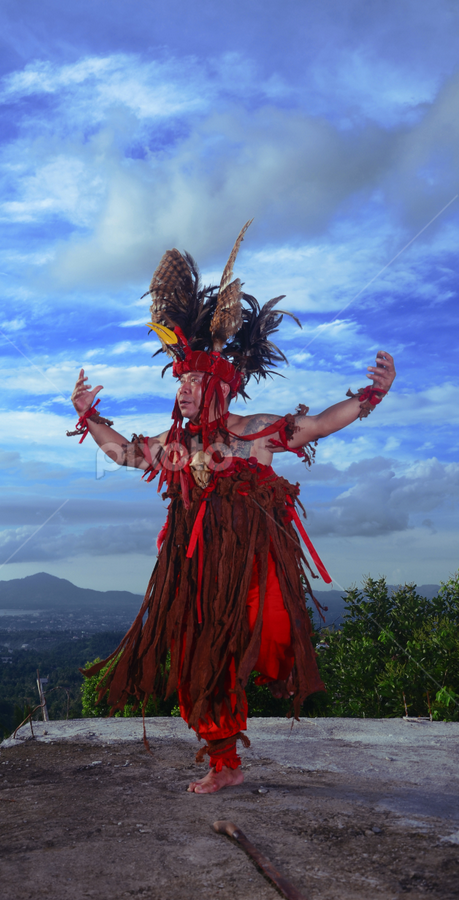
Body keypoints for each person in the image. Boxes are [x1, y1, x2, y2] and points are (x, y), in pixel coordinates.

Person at [69, 222, 396, 794]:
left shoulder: (256, 433)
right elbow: (123, 453)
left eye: (195, 379)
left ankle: (249, 719)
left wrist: (371, 395)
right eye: (181, 378)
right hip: (195, 577)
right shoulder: (180, 447)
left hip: (256, 566)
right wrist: (88, 417)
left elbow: (319, 423)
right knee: (202, 659)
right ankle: (225, 761)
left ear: (221, 384)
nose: (184, 389)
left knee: (264, 641)